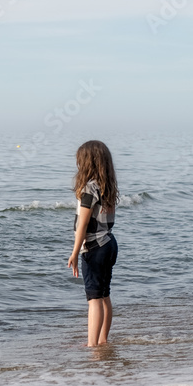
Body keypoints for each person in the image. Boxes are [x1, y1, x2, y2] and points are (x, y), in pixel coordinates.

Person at [67, 140, 118, 346]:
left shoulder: (89, 188)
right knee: (104, 294)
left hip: (95, 247)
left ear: (88, 162)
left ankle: (92, 345)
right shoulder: (107, 186)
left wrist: (75, 252)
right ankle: (103, 340)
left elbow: (83, 224)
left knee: (94, 298)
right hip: (109, 243)